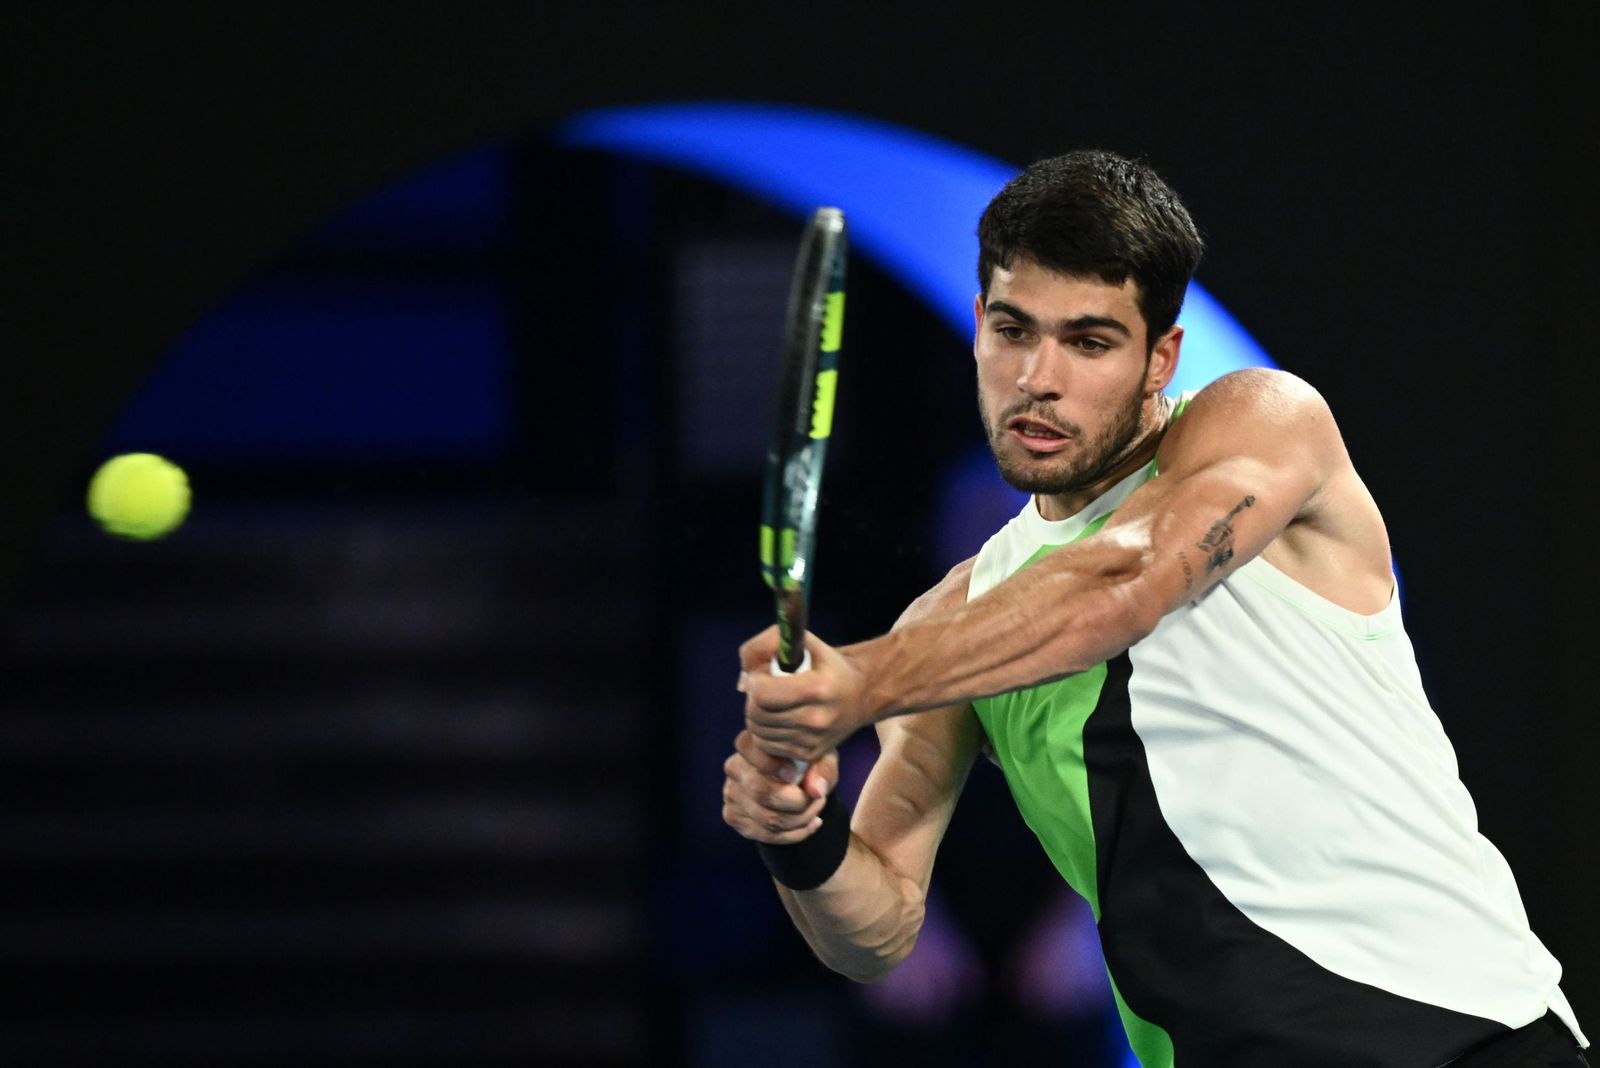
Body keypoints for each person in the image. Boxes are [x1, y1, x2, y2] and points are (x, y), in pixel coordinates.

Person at [720, 150, 1589, 1067]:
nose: (1037, 378)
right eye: (1014, 331)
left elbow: (1131, 579)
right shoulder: (950, 626)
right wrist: (799, 834)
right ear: (978, 326)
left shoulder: (1266, 424)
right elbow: (879, 930)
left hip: (1463, 1043)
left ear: (1158, 356)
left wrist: (861, 681)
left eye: (1089, 341)